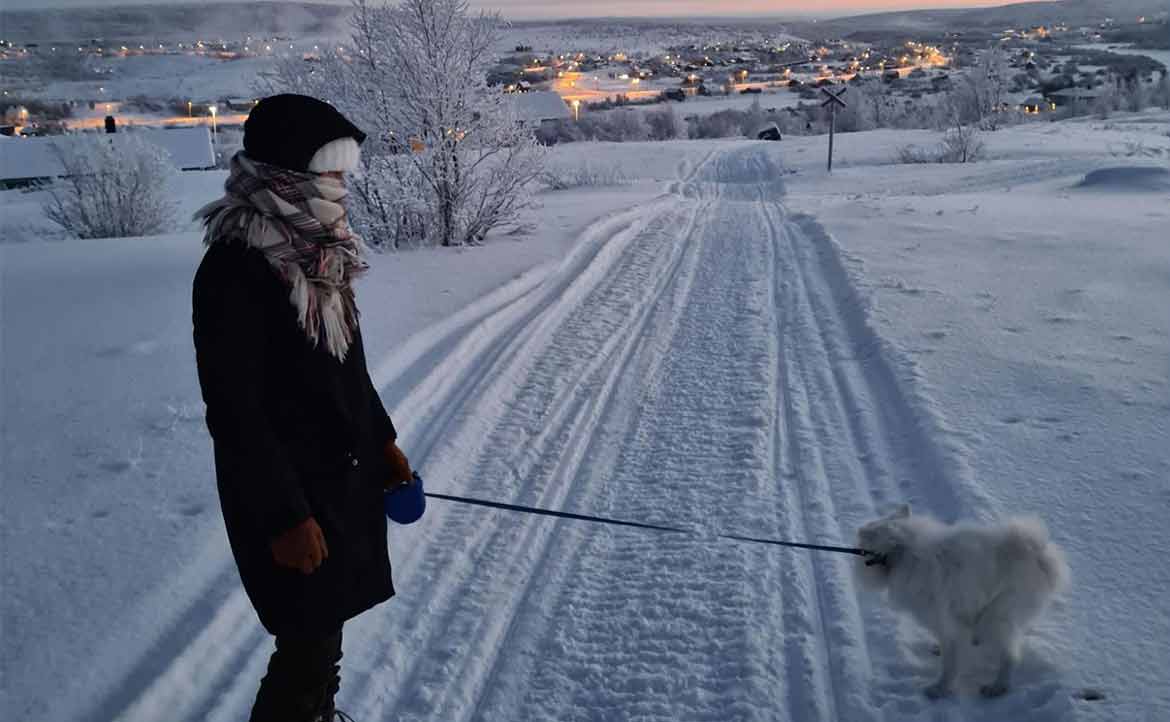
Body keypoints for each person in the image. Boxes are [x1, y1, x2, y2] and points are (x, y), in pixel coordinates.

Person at [191, 94, 413, 722]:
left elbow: (346, 369)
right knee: (305, 646)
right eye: (331, 165)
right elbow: (235, 411)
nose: (341, 181)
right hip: (290, 492)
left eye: (345, 166)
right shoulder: (237, 267)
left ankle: (318, 713)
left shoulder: (318, 251)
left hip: (339, 474)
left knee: (324, 628)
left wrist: (382, 442)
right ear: (290, 167)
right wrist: (284, 515)